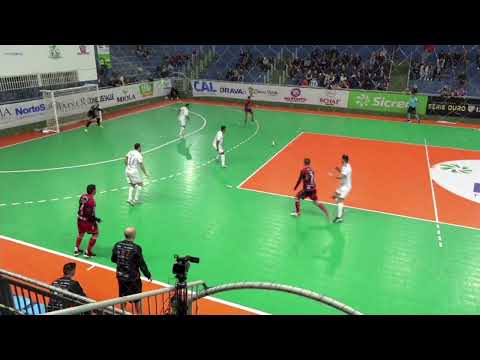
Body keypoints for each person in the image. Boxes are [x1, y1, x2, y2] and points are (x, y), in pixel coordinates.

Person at [111, 227, 152, 314]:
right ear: (134, 235)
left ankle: (122, 312)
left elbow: (113, 259)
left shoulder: (117, 245)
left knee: (122, 296)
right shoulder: (136, 248)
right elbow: (142, 264)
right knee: (137, 298)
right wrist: (148, 275)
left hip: (121, 276)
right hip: (133, 278)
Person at [75, 184, 101, 258]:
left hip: (79, 219)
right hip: (87, 221)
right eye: (95, 189)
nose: (96, 190)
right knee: (96, 233)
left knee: (81, 233)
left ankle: (76, 249)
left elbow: (81, 207)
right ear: (93, 191)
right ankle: (88, 252)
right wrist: (96, 219)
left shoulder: (83, 196)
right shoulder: (92, 201)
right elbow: (90, 213)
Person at [332, 154, 352, 224]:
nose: (341, 160)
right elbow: (343, 173)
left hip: (346, 187)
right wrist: (339, 170)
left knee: (339, 201)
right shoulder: (344, 165)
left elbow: (343, 177)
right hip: (342, 186)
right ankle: (342, 208)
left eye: (342, 159)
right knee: (334, 196)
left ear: (344, 160)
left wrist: (334, 176)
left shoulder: (348, 168)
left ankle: (339, 218)